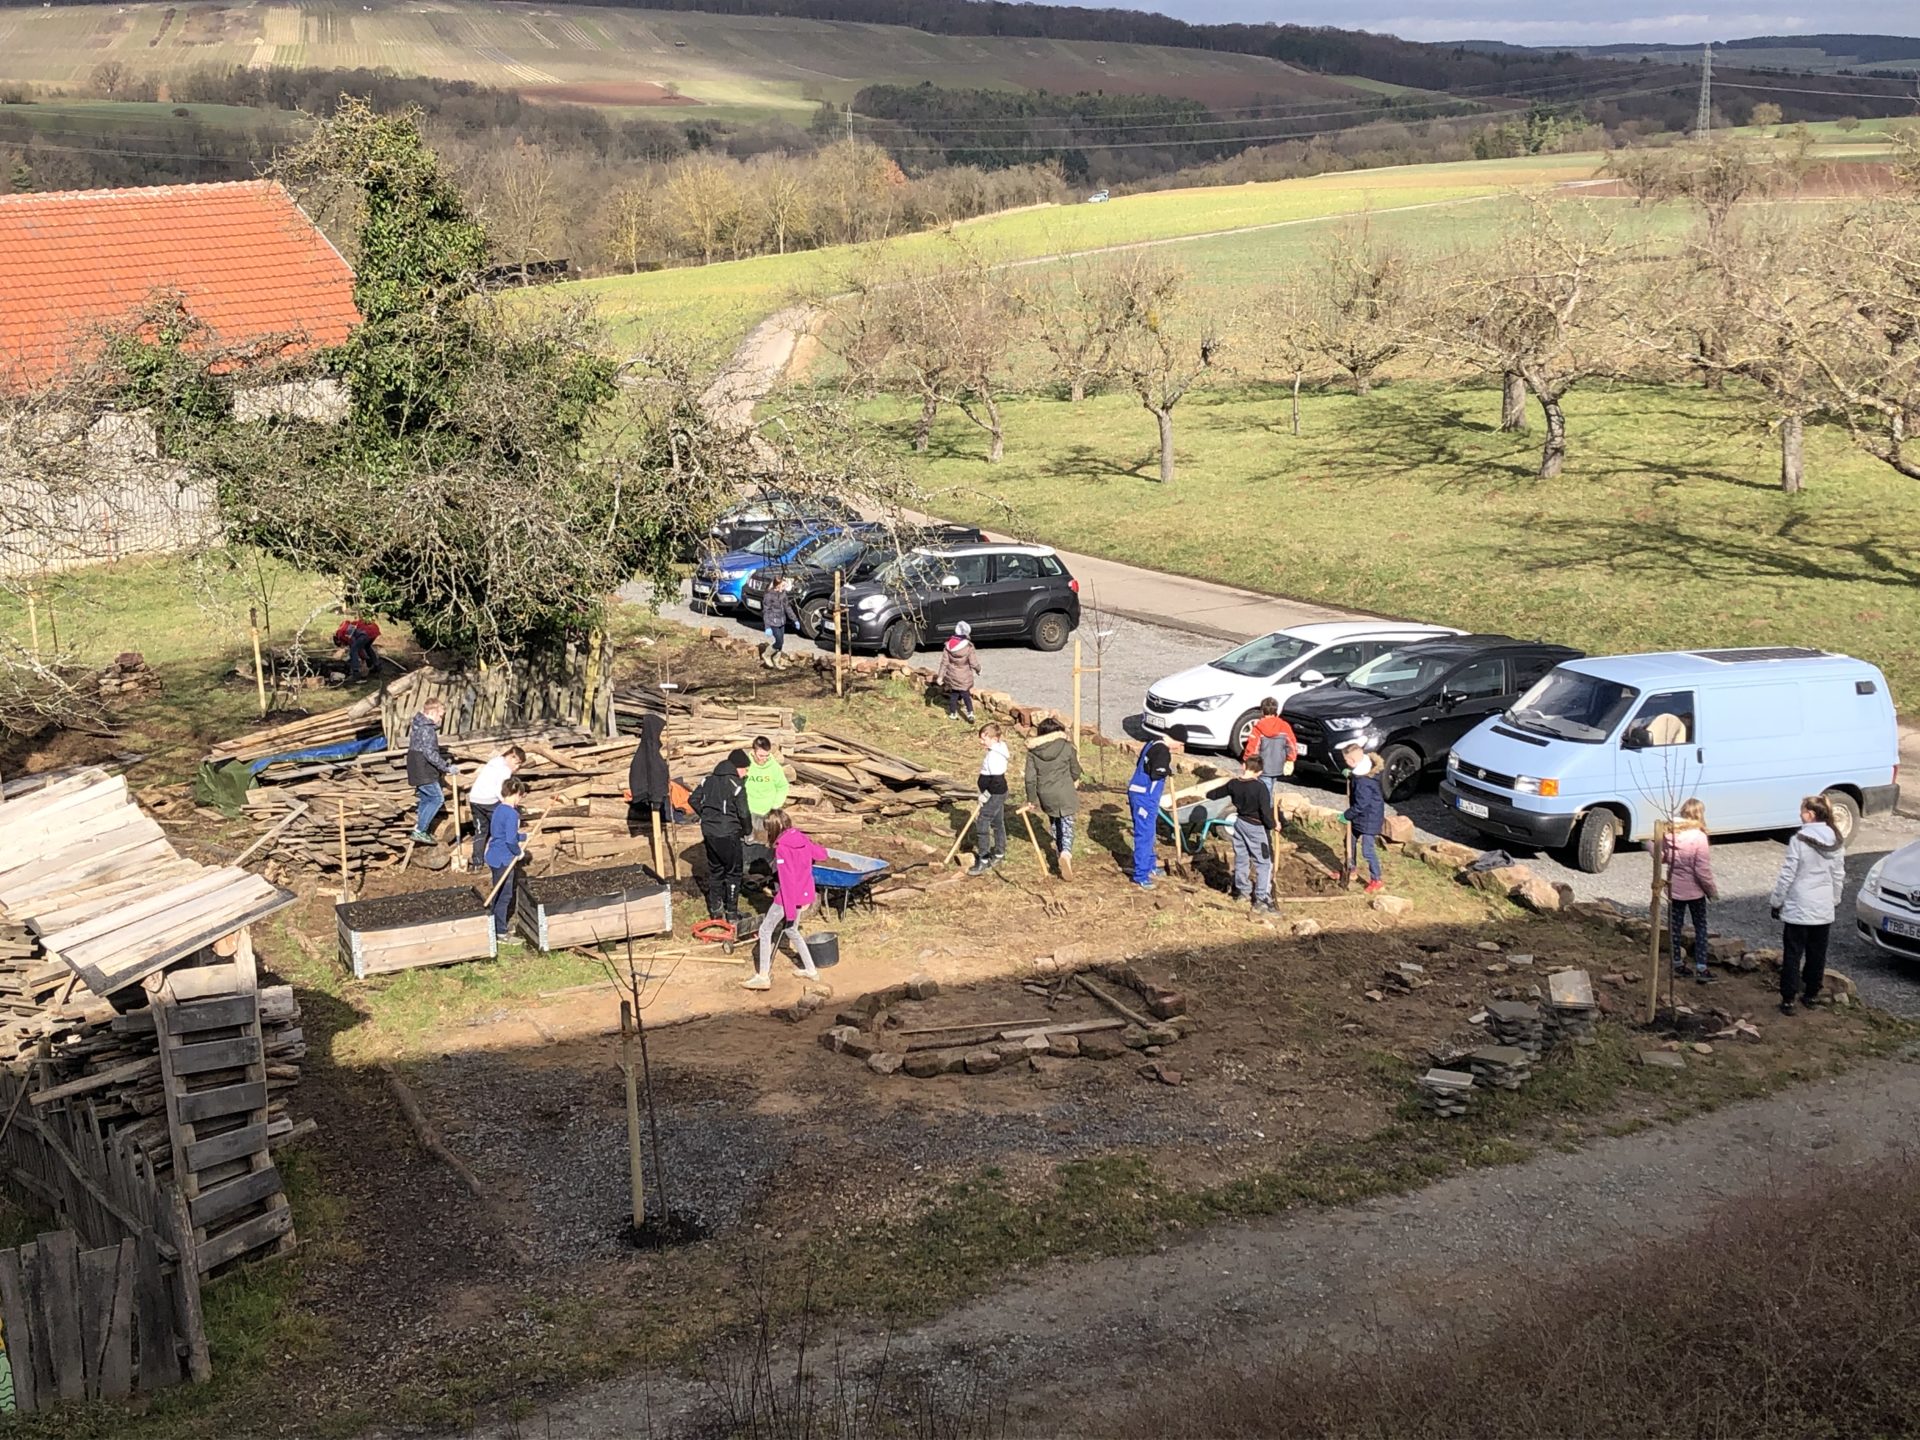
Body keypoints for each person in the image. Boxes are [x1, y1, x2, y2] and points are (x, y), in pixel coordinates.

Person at [1770, 794, 1845, 1015]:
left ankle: (1788, 998)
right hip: (1822, 907)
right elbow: (1838, 874)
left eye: (1802, 811)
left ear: (1810, 815)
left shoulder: (1799, 840)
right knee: (1817, 953)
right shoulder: (1836, 839)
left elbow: (1788, 874)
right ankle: (1812, 993)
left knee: (1793, 953)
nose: (1800, 814)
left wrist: (1777, 900)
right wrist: (1834, 899)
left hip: (1799, 905)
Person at [745, 807, 826, 992]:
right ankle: (811, 971)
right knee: (792, 931)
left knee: (766, 930)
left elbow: (787, 882)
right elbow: (821, 854)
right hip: (804, 893)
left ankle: (763, 976)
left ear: (773, 829)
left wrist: (789, 910)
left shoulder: (782, 849)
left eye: (767, 829)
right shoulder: (801, 837)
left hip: (787, 898)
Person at [1206, 755, 1278, 912]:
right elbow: (1265, 812)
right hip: (1256, 827)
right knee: (1264, 862)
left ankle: (1242, 892)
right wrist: (1273, 825)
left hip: (1239, 824)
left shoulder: (1234, 784)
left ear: (1244, 766)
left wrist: (1207, 792)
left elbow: (1212, 795)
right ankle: (1262, 897)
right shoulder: (1260, 788)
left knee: (1242, 858)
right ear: (1260, 772)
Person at [693, 748, 753, 925]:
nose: (746, 773)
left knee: (716, 869)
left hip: (709, 832)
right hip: (729, 833)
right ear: (738, 768)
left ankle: (715, 910)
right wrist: (747, 831)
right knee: (734, 872)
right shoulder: (736, 785)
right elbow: (744, 812)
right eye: (745, 769)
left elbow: (693, 800)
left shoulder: (707, 780)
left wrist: (706, 816)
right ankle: (732, 914)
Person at [1663, 797, 1718, 984]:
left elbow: (1663, 857)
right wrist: (1711, 891)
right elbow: (1702, 870)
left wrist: (1648, 846)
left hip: (1674, 890)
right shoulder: (1699, 837)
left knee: (1675, 927)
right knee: (1700, 927)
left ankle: (1677, 963)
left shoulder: (1669, 834)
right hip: (1695, 892)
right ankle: (1702, 967)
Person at [1022, 716, 1082, 880]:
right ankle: (1066, 854)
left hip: (1046, 793)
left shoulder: (1033, 752)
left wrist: (1031, 799)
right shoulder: (1067, 747)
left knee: (1055, 822)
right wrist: (1073, 779)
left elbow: (1030, 778)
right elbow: (1075, 770)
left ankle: (1058, 853)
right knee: (1067, 824)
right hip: (1065, 791)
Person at [482, 778, 527, 948]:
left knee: (498, 892)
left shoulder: (498, 809)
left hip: (493, 855)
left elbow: (501, 833)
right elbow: (509, 840)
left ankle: (494, 925)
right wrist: (518, 851)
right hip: (504, 858)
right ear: (516, 794)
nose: (520, 800)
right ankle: (500, 931)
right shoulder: (512, 814)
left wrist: (524, 837)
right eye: (520, 797)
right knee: (504, 895)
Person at [466, 744, 525, 870]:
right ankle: (502, 855)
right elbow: (501, 790)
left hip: (475, 799)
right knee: (500, 828)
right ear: (511, 756)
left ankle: (477, 862)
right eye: (517, 763)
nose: (517, 767)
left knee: (481, 831)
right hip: (489, 800)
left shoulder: (495, 761)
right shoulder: (505, 770)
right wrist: (508, 806)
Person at [406, 699, 456, 844]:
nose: (441, 719)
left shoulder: (417, 725)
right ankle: (420, 830)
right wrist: (446, 767)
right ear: (433, 713)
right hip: (423, 769)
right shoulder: (427, 730)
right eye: (440, 716)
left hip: (416, 767)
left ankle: (421, 828)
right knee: (437, 798)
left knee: (426, 799)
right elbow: (431, 754)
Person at [1339, 742, 1386, 893]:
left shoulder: (1364, 781)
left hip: (1369, 819)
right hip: (1361, 817)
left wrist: (1347, 815)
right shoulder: (1362, 770)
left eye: (1346, 761)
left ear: (1352, 761)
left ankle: (1376, 879)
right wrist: (1351, 774)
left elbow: (1361, 804)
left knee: (1367, 850)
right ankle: (1351, 869)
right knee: (1349, 841)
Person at [1126, 739, 1173, 889]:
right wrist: (1165, 770)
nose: (1181, 747)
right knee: (1144, 835)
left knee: (1150, 832)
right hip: (1145, 797)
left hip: (1141, 793)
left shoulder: (1152, 743)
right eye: (1180, 743)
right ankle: (1141, 875)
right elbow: (1156, 773)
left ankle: (1150, 864)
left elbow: (1145, 764)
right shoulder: (1162, 751)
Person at [969, 723, 1011, 876]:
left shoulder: (995, 756)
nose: (981, 742)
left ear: (994, 738)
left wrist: (986, 795)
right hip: (996, 792)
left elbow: (997, 781)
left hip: (995, 793)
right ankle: (999, 853)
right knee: (997, 822)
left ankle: (984, 859)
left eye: (984, 739)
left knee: (982, 821)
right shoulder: (995, 750)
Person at [1241, 697, 1298, 804]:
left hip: (1262, 766)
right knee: (1270, 788)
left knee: (1264, 793)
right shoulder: (1284, 726)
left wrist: (1247, 761)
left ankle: (1265, 814)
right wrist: (1290, 759)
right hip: (1278, 765)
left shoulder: (1258, 727)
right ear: (1276, 710)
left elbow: (1252, 748)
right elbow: (1292, 745)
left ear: (1262, 710)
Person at [624, 712, 669, 842]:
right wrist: (656, 800)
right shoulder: (650, 753)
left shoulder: (649, 750)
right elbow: (654, 776)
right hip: (652, 797)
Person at [936, 623, 981, 722]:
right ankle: (970, 713)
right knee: (966, 694)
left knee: (954, 694)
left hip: (952, 675)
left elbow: (944, 663)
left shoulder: (948, 646)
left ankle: (953, 713)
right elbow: (973, 663)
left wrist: (940, 676)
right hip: (964, 674)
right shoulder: (968, 646)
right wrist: (978, 669)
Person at [744, 735, 791, 825]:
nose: (764, 759)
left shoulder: (774, 767)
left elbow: (783, 787)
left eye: (767, 755)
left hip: (767, 813)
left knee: (762, 838)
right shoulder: (745, 765)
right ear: (753, 752)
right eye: (761, 756)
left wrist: (775, 806)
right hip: (747, 812)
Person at [762, 577, 796, 669]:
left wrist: (794, 619)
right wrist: (767, 626)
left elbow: (787, 607)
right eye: (783, 585)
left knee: (781, 642)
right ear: (777, 585)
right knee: (779, 641)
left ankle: (776, 662)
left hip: (782, 621)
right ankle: (766, 655)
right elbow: (766, 611)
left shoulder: (783, 594)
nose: (785, 587)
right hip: (773, 622)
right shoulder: (769, 595)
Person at [333, 616, 381, 681]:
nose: (344, 646)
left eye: (342, 645)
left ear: (338, 641)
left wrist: (363, 658)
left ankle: (356, 673)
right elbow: (358, 645)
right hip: (374, 629)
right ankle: (376, 666)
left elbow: (355, 646)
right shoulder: (346, 626)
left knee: (353, 650)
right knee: (367, 646)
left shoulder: (341, 634)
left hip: (365, 632)